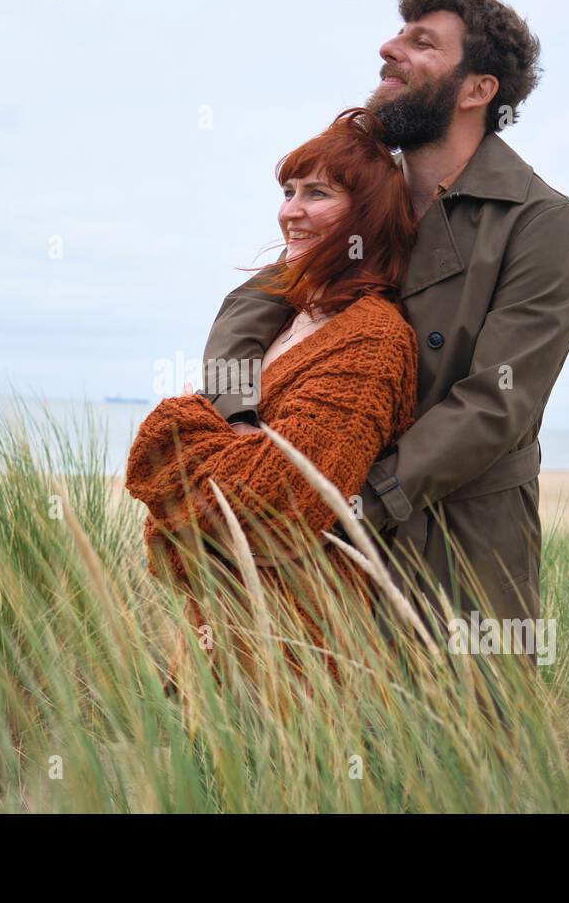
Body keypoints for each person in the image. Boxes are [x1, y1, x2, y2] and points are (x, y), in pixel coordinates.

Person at [197, 0, 569, 647]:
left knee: (466, 739)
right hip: (323, 531)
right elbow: (246, 314)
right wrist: (241, 427)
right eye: (396, 35)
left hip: (465, 542)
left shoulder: (540, 219)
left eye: (421, 43)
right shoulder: (365, 194)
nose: (389, 50)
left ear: (477, 89)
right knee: (311, 727)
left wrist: (361, 501)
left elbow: (499, 402)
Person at [125, 107, 419, 687]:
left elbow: (275, 505)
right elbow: (186, 521)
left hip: (296, 650)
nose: (291, 212)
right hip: (215, 637)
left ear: (368, 217)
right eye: (288, 192)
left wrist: (178, 427)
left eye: (317, 194)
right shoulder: (278, 318)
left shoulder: (372, 337)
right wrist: (213, 466)